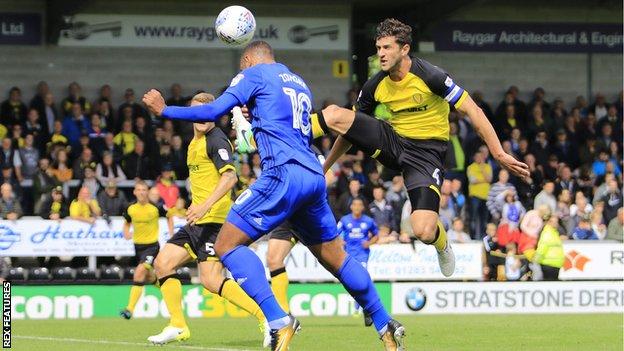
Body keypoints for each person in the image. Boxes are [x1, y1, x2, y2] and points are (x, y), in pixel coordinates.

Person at [143, 40, 403, 350]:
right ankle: (384, 321)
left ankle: (278, 320)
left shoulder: (253, 74)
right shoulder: (297, 82)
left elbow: (212, 110)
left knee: (227, 245)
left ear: (250, 60)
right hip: (312, 174)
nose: (241, 75)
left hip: (281, 174)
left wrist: (164, 110)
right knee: (336, 259)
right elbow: (292, 129)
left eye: (242, 68)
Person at [319, 19, 529, 278]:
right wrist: (324, 167)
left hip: (426, 154)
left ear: (404, 49)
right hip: (393, 142)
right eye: (378, 48)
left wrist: (498, 153)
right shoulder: (375, 85)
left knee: (424, 230)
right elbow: (349, 130)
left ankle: (443, 245)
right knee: (334, 115)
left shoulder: (431, 76)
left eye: (387, 48)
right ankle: (284, 128)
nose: (381, 54)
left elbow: (472, 110)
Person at [146, 93, 267, 346]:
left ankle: (267, 318)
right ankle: (178, 325)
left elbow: (230, 177)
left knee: (211, 281)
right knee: (162, 264)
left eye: (206, 112)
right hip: (196, 221)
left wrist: (203, 206)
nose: (201, 117)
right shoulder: (194, 143)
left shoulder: (216, 139)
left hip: (214, 222)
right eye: (196, 112)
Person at [120, 181, 159, 320]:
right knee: (149, 276)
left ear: (147, 192)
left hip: (152, 246)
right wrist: (126, 232)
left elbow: (170, 215)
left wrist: (171, 231)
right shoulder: (130, 208)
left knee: (139, 272)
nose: (142, 192)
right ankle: (165, 289)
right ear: (134, 192)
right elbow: (127, 221)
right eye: (139, 190)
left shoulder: (155, 207)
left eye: (144, 189)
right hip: (138, 247)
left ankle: (129, 309)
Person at [337, 197, 379, 325]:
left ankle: (363, 308)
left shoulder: (368, 221)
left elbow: (376, 235)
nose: (356, 207)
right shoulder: (344, 220)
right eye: (354, 205)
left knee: (362, 280)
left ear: (362, 207)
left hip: (362, 256)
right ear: (351, 207)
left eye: (359, 205)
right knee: (351, 282)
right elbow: (334, 233)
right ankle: (359, 307)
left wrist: (369, 242)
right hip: (348, 255)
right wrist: (341, 241)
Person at [534, 213, 564, 281]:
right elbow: (542, 248)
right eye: (554, 222)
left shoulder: (554, 233)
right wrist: (536, 260)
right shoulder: (547, 233)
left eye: (556, 222)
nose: (556, 224)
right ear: (549, 222)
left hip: (555, 264)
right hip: (549, 264)